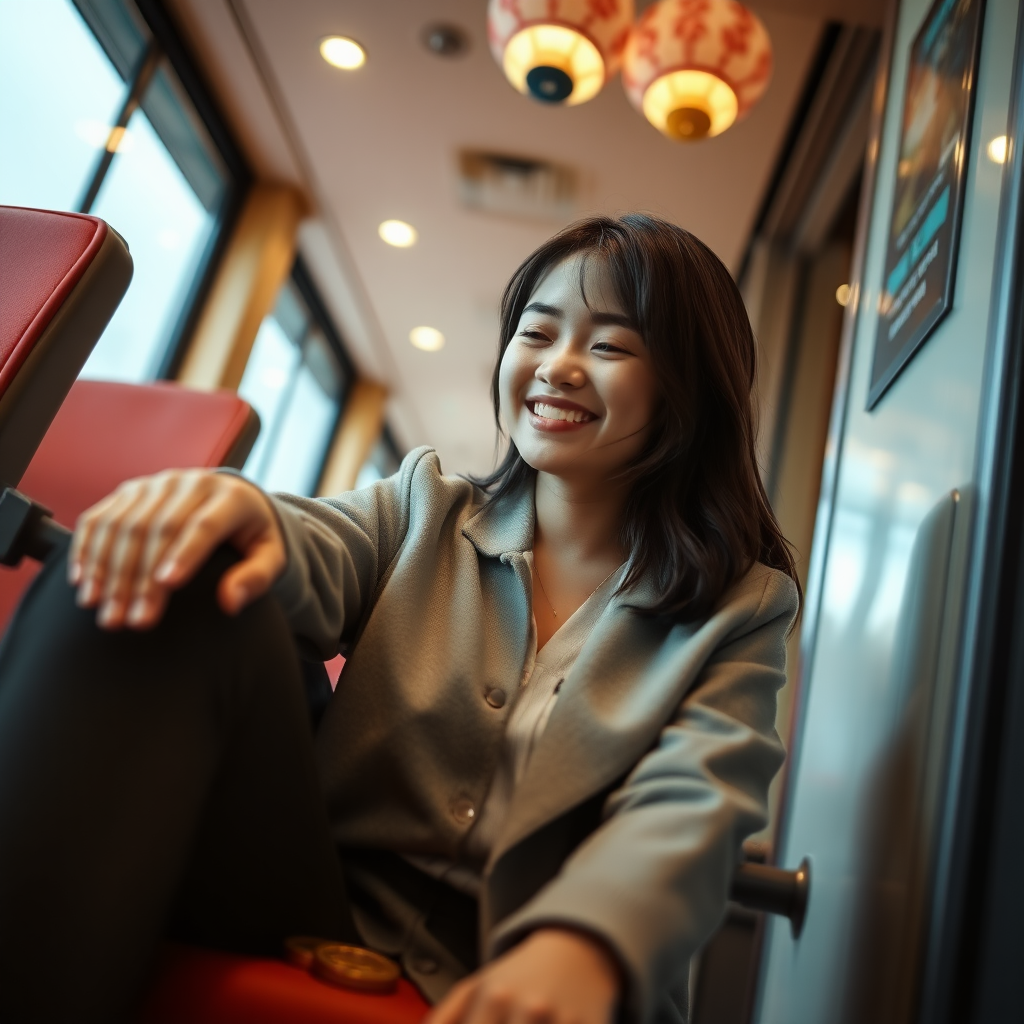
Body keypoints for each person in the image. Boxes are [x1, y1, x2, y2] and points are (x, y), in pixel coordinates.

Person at [0, 214, 799, 1024]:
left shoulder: (742, 608)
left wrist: (584, 947)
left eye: (610, 347)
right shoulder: (424, 507)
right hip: (314, 906)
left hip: (534, 979)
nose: (557, 367)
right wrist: (234, 506)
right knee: (171, 567)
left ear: (687, 388)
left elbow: (695, 799)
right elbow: (310, 542)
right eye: (537, 332)